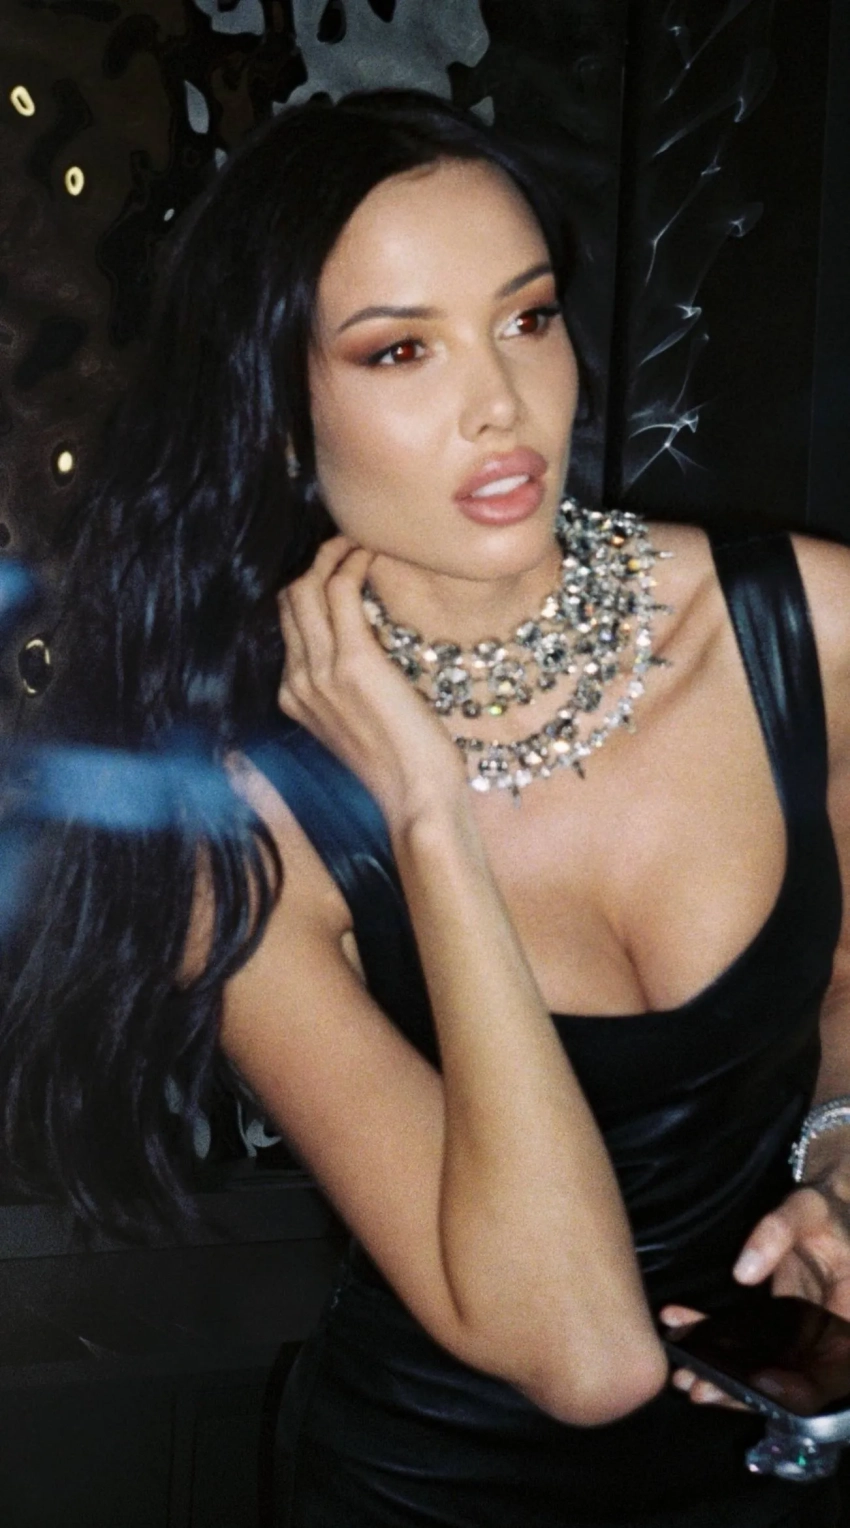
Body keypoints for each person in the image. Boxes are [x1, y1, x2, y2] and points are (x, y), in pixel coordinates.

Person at [2, 90, 850, 1527]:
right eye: (401, 348)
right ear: (277, 415)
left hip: (779, 1469)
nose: (501, 402)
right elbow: (581, 1357)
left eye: (526, 316)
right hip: (436, 1486)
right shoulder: (238, 813)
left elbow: (842, 972)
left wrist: (838, 1155)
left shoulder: (808, 627)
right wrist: (427, 814)